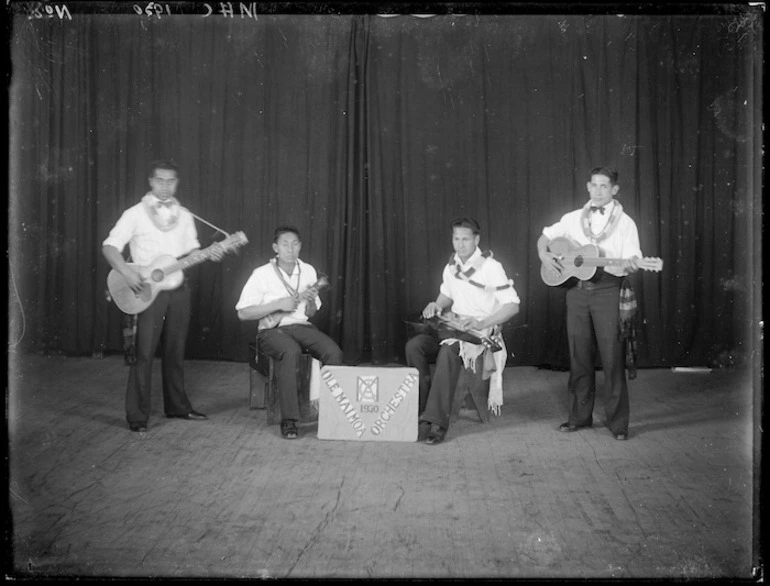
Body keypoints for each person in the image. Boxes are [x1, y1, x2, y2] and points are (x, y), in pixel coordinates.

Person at [103, 159, 226, 432]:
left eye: (170, 181)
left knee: (175, 351)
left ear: (176, 183)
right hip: (146, 290)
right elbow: (110, 246)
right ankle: (137, 416)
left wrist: (210, 253)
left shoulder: (184, 214)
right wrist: (125, 271)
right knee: (144, 353)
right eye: (160, 180)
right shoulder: (134, 213)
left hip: (178, 290)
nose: (165, 186)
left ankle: (178, 407)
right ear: (150, 181)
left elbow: (192, 253)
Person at [537, 166, 642, 441]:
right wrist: (543, 255)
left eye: (604, 186)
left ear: (614, 190)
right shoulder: (572, 218)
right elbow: (545, 236)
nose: (597, 191)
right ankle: (579, 417)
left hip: (608, 289)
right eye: (594, 185)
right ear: (587, 186)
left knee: (612, 358)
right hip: (576, 291)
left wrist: (631, 262)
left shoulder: (626, 223)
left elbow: (632, 258)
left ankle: (618, 423)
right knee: (578, 355)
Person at [415, 217, 520, 445]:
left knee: (448, 352)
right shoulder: (452, 267)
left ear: (476, 240)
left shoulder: (491, 267)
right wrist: (437, 304)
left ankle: (437, 423)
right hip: (455, 329)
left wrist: (483, 323)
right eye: (456, 239)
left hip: (481, 334)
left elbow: (513, 305)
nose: (460, 244)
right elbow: (447, 294)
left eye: (465, 239)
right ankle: (424, 409)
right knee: (415, 347)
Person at [235, 226, 344, 439]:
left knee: (333, 352)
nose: (290, 249)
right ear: (275, 248)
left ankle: (331, 414)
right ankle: (290, 420)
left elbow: (311, 312)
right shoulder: (261, 274)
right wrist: (279, 304)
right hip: (271, 331)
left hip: (301, 326)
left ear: (300, 246)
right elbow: (243, 313)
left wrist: (311, 298)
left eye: (295, 244)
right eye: (285, 244)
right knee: (290, 352)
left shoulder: (308, 270)